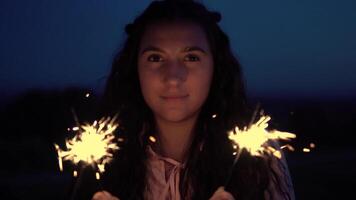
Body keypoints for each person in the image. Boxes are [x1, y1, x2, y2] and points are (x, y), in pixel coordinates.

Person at [93, 0, 295, 199]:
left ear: (215, 68)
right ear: (135, 69)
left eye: (191, 58)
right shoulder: (100, 159)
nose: (172, 77)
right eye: (155, 58)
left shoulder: (256, 155)